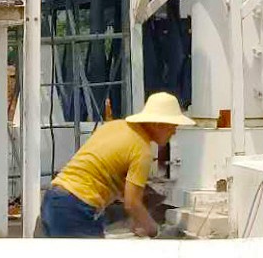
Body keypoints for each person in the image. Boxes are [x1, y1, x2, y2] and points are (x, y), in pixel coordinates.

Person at [40, 91, 194, 238]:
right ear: (157, 124)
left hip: (54, 197)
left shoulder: (115, 126)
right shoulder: (142, 150)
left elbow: (104, 167)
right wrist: (155, 231)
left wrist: (138, 217)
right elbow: (132, 203)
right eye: (172, 127)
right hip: (77, 207)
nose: (174, 132)